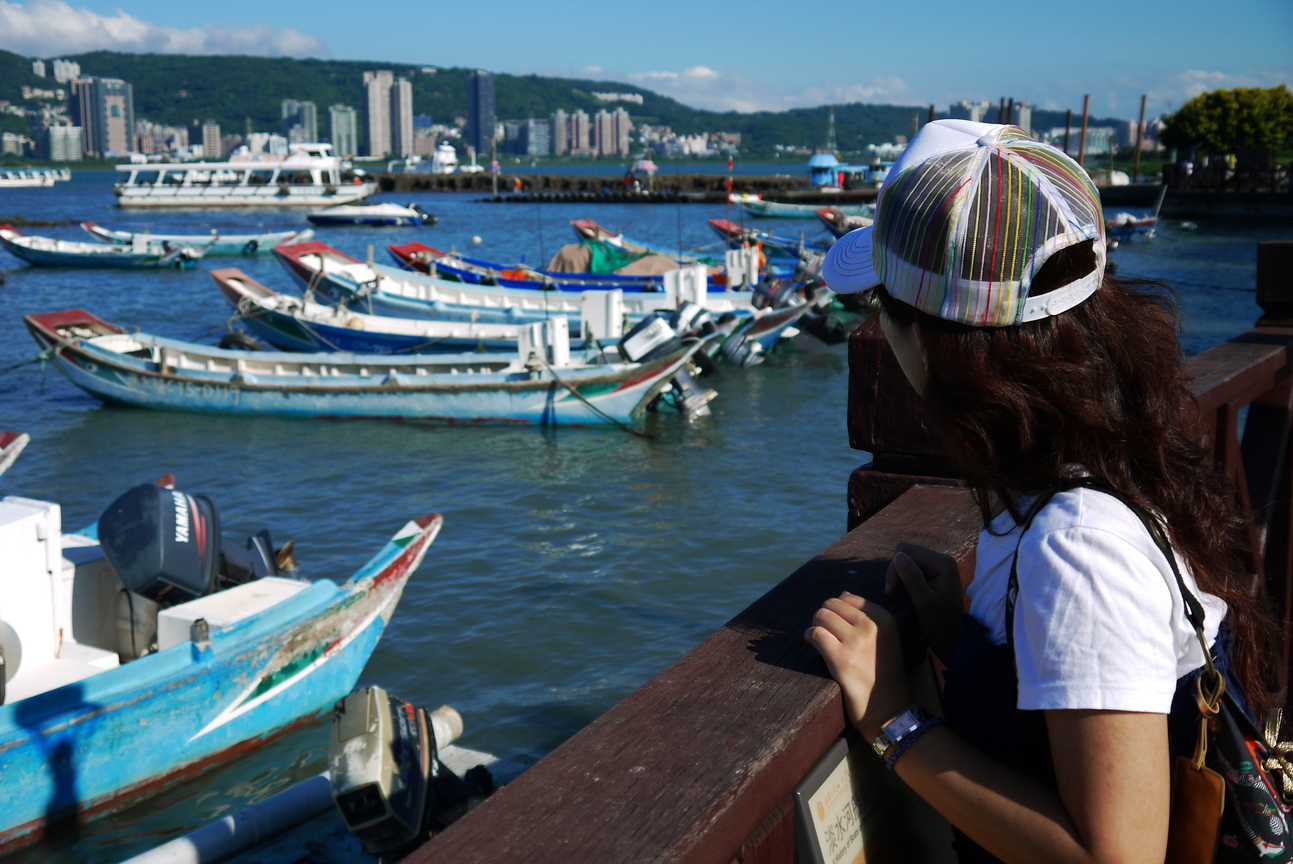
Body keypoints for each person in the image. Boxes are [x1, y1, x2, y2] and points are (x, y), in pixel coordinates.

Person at [806, 120, 1278, 864]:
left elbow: (1114, 855)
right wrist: (964, 641)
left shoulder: (1076, 543)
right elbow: (1088, 702)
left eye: (883, 307)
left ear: (927, 340)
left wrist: (891, 720)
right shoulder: (1107, 459)